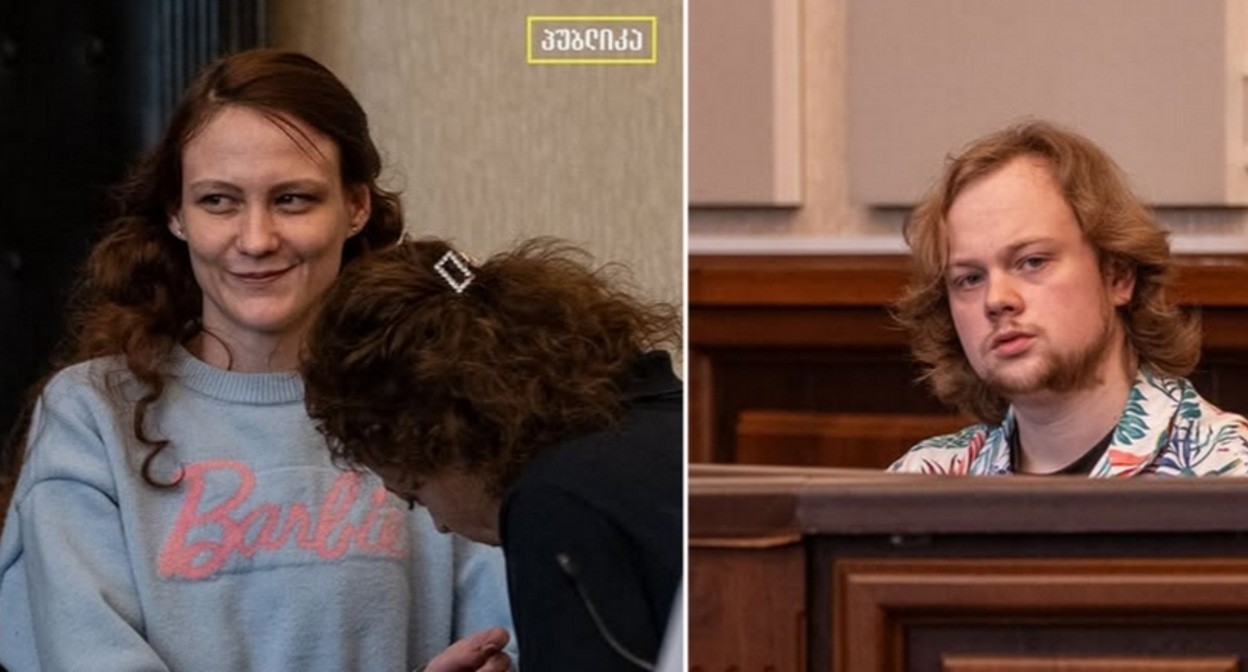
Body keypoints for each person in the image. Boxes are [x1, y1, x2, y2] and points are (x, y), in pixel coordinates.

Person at [0, 50, 514, 671]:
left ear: (355, 207)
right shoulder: (91, 415)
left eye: (293, 199)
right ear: (175, 214)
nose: (255, 239)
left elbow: (509, 640)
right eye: (218, 201)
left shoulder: (437, 396)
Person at [301, 237, 683, 671]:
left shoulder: (554, 504)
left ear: (448, 435)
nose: (441, 526)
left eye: (417, 496)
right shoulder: (667, 411)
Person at [888, 121, 1248, 476]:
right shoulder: (921, 480)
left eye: (1032, 262)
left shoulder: (1228, 470)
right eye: (969, 279)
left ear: (1117, 275)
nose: (996, 299)